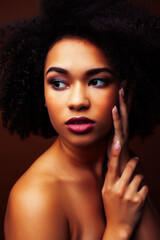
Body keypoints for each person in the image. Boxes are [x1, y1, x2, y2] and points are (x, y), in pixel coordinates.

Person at [0, 0, 160, 239]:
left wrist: (124, 157)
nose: (77, 101)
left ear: (124, 90)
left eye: (96, 81)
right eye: (58, 83)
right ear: (42, 94)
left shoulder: (125, 170)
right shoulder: (35, 199)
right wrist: (118, 229)